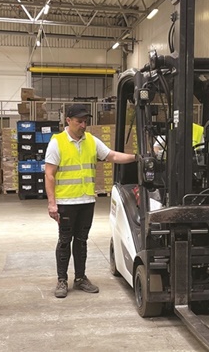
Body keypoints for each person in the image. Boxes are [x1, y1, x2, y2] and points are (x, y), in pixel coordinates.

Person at [45, 104, 137, 298]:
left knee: (81, 241)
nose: (83, 125)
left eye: (85, 121)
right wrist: (52, 203)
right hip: (66, 202)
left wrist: (136, 158)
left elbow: (111, 155)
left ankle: (80, 278)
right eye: (79, 121)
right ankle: (62, 280)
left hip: (86, 200)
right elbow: (49, 175)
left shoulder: (91, 141)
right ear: (68, 120)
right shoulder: (57, 142)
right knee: (64, 241)